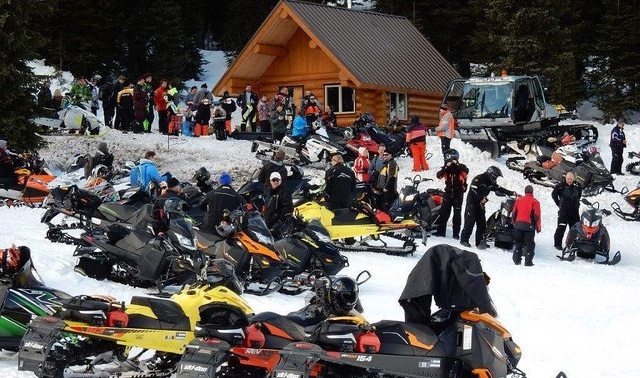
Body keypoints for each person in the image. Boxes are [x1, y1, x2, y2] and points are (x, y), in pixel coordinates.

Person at [460, 165, 515, 248]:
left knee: (482, 223)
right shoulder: (479, 178)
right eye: (495, 176)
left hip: (481, 204)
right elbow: (473, 189)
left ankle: (479, 242)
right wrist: (481, 198)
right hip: (472, 203)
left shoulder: (490, 182)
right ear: (491, 174)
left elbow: (498, 188)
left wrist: (511, 193)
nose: (496, 178)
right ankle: (464, 240)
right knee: (469, 222)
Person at [435, 149, 468, 239]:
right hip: (448, 193)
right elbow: (438, 175)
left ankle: (456, 234)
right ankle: (441, 232)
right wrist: (446, 167)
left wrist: (456, 164)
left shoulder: (462, 167)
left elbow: (465, 172)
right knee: (444, 213)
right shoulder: (447, 168)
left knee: (457, 214)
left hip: (458, 194)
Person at [512, 185, 541, 266]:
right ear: (532, 192)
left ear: (525, 191)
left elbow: (514, 213)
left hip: (518, 225)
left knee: (518, 243)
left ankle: (516, 260)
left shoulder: (519, 200)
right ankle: (528, 262)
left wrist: (515, 224)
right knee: (530, 244)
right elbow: (537, 216)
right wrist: (538, 228)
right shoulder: (535, 202)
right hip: (529, 227)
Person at [551, 171, 582, 250]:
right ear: (565, 178)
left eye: (571, 179)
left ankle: (573, 244)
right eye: (568, 179)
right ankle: (557, 244)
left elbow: (579, 195)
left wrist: (576, 203)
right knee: (561, 227)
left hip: (574, 211)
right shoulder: (560, 186)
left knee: (575, 229)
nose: (569, 181)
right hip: (564, 211)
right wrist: (559, 204)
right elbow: (554, 194)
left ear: (573, 179)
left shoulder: (577, 186)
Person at [264, 171, 294, 236]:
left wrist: (278, 224)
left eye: (277, 180)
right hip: (268, 222)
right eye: (273, 180)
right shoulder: (269, 192)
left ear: (280, 181)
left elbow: (288, 209)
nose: (275, 182)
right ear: (270, 181)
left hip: (277, 225)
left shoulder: (284, 192)